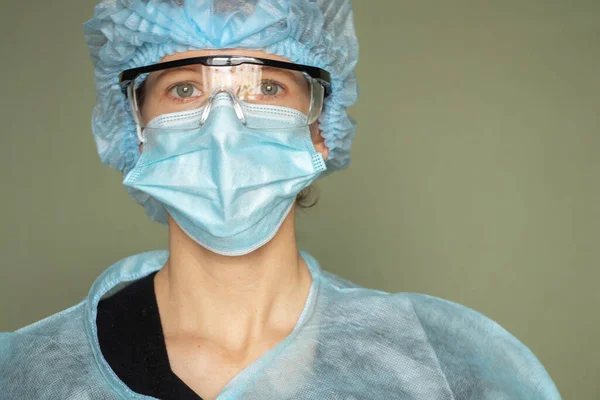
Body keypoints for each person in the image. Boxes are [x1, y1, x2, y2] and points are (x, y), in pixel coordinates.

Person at [0, 1, 562, 399]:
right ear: (135, 125)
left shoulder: (443, 366)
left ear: (319, 126)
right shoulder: (26, 375)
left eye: (268, 87)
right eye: (184, 88)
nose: (223, 126)